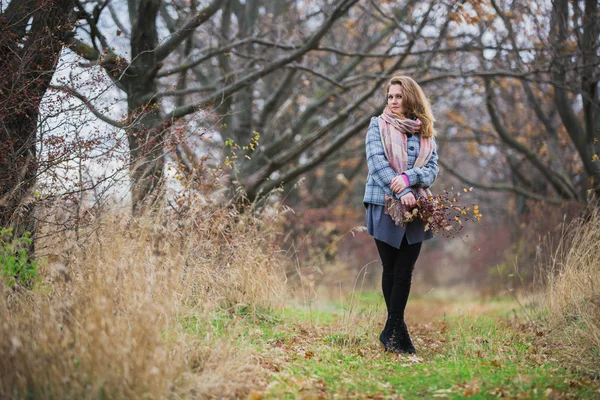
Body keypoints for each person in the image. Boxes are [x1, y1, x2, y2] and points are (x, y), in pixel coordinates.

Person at [363, 76, 439, 354]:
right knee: (391, 267)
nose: (393, 102)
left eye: (398, 96)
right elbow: (376, 162)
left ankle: (391, 330)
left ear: (410, 98)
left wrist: (409, 178)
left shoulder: (425, 132)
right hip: (382, 202)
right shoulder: (377, 125)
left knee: (405, 270)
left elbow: (431, 169)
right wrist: (398, 190)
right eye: (390, 97)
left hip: (416, 205)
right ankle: (399, 334)